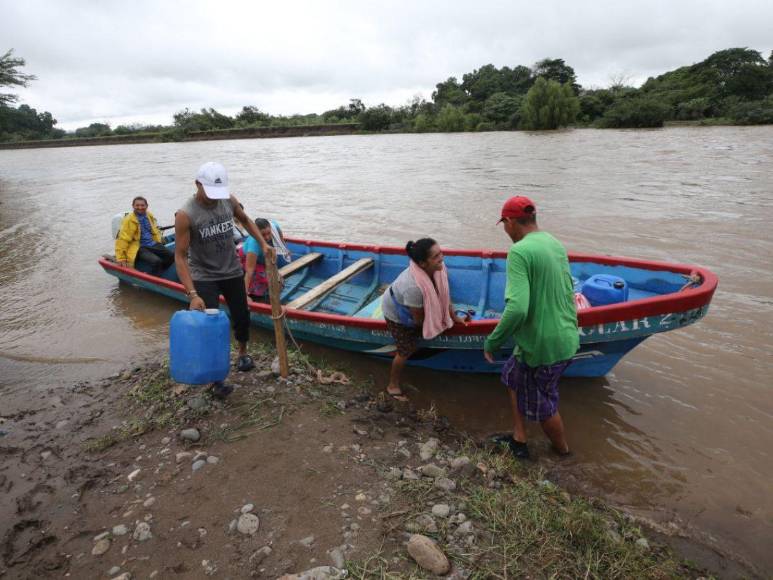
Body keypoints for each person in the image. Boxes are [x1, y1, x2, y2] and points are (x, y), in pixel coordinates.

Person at [483, 196, 579, 459]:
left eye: (504, 223)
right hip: (565, 335)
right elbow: (568, 290)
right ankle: (519, 438)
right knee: (513, 375)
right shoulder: (554, 243)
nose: (505, 230)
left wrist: (492, 341)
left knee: (544, 405)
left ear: (511, 221)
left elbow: (517, 308)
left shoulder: (520, 251)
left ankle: (564, 454)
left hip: (544, 346)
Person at [174, 161, 275, 399]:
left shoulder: (227, 200)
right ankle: (216, 377)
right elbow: (180, 257)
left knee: (242, 316)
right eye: (209, 192)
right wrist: (192, 294)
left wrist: (262, 243)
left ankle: (242, 354)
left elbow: (246, 220)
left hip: (231, 270)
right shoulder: (185, 214)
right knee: (209, 325)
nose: (213, 198)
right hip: (204, 275)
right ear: (197, 184)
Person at [382, 238, 470, 401]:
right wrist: (435, 326)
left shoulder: (439, 269)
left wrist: (452, 317)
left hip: (414, 305)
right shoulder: (414, 287)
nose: (441, 258)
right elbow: (418, 320)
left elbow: (443, 294)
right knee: (405, 349)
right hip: (398, 313)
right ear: (423, 263)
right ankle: (392, 384)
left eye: (441, 253)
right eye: (436, 256)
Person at [115, 196, 174, 274]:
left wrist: (160, 240)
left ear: (146, 206)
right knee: (156, 261)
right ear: (133, 206)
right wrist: (121, 258)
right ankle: (153, 278)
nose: (140, 207)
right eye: (137, 205)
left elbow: (154, 230)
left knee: (172, 256)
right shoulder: (129, 220)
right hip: (139, 246)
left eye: (142, 205)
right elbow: (123, 239)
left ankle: (158, 273)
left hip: (152, 243)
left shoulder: (149, 215)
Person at [239, 218, 291, 302]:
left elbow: (279, 232)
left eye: (268, 233)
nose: (267, 237)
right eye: (263, 234)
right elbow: (249, 271)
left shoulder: (273, 226)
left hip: (263, 255)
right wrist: (244, 295)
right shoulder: (254, 244)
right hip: (249, 258)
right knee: (263, 281)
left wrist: (283, 246)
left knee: (277, 282)